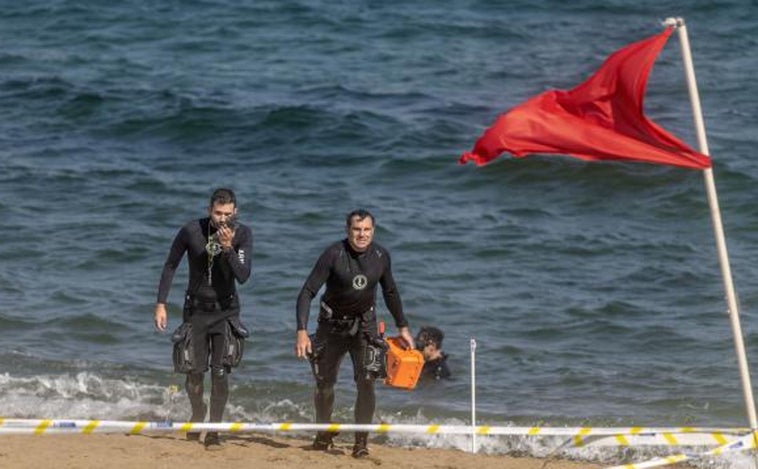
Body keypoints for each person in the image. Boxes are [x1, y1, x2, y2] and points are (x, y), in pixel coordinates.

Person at [294, 209, 415, 458]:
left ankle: (361, 442)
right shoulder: (333, 254)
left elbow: (390, 292)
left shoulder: (381, 256)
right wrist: (302, 331)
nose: (362, 234)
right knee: (324, 384)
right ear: (347, 230)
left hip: (365, 327)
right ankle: (323, 433)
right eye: (357, 229)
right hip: (331, 327)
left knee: (367, 383)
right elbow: (307, 291)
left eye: (367, 230)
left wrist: (402, 326)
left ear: (373, 230)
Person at [153, 188, 252, 449]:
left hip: (225, 313)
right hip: (195, 312)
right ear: (209, 210)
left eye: (227, 214)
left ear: (235, 212)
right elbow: (171, 264)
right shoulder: (191, 230)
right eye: (218, 213)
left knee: (220, 374)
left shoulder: (242, 234)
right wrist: (161, 303)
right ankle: (198, 411)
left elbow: (243, 275)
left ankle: (214, 430)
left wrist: (229, 248)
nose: (222, 219)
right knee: (194, 374)